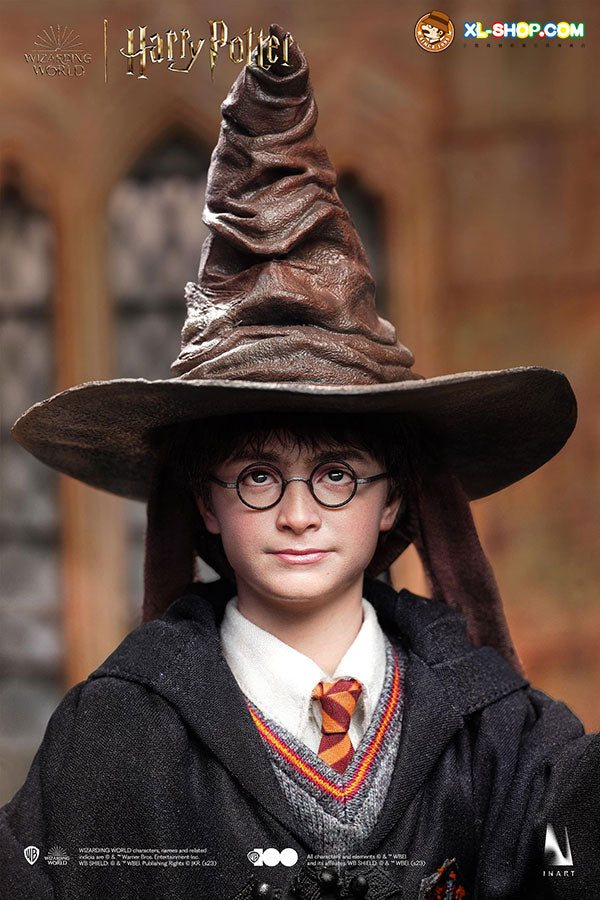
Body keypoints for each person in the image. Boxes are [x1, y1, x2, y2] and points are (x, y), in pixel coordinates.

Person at [1, 23, 598, 900]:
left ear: (393, 500)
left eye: (337, 475)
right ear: (205, 504)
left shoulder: (504, 739)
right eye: (256, 476)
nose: (296, 513)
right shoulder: (116, 736)